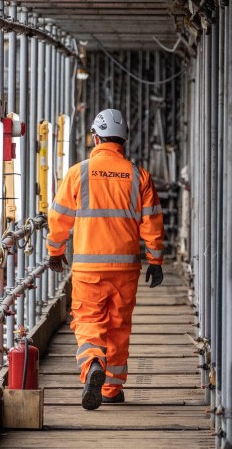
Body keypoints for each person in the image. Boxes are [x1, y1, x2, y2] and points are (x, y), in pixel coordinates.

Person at [46, 108, 165, 410]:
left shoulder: (78, 173)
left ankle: (92, 364)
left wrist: (55, 251)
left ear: (95, 137)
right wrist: (156, 260)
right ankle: (112, 388)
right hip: (126, 268)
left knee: (88, 322)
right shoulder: (140, 177)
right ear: (124, 140)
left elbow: (59, 219)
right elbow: (152, 222)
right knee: (118, 326)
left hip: (89, 268)